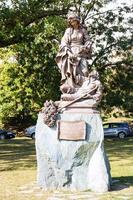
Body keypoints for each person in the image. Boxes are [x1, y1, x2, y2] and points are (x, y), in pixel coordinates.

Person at [55, 13, 92, 94]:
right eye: (69, 19)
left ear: (76, 20)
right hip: (71, 54)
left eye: (71, 19)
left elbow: (88, 41)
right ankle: (73, 91)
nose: (70, 21)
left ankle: (84, 91)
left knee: (85, 71)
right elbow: (64, 43)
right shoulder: (68, 31)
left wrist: (86, 46)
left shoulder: (83, 30)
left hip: (81, 53)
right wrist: (69, 53)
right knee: (72, 74)